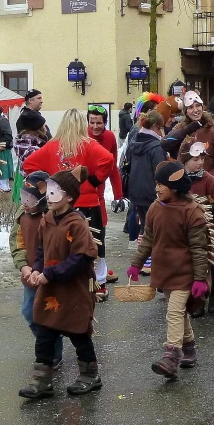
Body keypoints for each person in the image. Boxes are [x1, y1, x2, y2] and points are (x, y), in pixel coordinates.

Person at [127, 161, 209, 379]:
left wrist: (200, 279)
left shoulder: (192, 212)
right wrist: (136, 263)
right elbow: (148, 239)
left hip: (185, 273)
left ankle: (171, 356)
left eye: (162, 185)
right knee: (178, 313)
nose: (157, 189)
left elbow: (199, 249)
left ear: (176, 187)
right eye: (157, 184)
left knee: (173, 311)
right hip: (164, 272)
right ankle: (189, 348)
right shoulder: (155, 208)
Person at [27, 166, 103, 396]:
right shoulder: (47, 219)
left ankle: (90, 375)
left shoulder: (76, 223)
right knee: (44, 329)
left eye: (54, 192)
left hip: (74, 288)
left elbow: (80, 258)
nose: (48, 197)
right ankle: (42, 380)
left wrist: (50, 274)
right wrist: (36, 268)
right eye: (47, 191)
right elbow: (42, 249)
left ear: (68, 196)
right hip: (52, 289)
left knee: (78, 331)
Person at [23, 108, 114, 295]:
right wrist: (94, 180)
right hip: (88, 202)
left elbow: (28, 165)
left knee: (61, 247)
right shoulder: (88, 144)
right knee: (92, 245)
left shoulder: (52, 145)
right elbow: (108, 159)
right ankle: (98, 286)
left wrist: (51, 182)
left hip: (60, 205)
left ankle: (66, 284)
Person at [10, 170, 63, 396]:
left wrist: (47, 270)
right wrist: (24, 266)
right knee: (29, 312)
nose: (25, 203)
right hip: (30, 275)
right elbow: (18, 243)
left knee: (50, 315)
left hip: (50, 275)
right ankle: (50, 343)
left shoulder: (51, 217)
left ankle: (52, 352)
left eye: (30, 200)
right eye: (23, 198)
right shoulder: (22, 216)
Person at [180, 139, 214, 316]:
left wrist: (204, 210)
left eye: (202, 159)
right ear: (185, 161)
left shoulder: (207, 179)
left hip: (208, 229)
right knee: (193, 263)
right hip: (187, 229)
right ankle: (198, 299)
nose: (200, 163)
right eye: (195, 159)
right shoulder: (179, 179)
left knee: (211, 260)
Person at [161, 90, 214, 192]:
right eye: (190, 107)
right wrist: (186, 130)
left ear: (202, 107)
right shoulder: (181, 128)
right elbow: (164, 143)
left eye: (198, 106)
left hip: (209, 184)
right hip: (186, 185)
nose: (195, 110)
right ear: (186, 111)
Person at [87, 104, 123, 289]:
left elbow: (112, 165)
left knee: (100, 233)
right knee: (85, 235)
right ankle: (89, 274)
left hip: (99, 194)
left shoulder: (109, 137)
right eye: (92, 122)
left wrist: (118, 193)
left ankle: (100, 276)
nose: (95, 126)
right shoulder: (82, 136)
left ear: (105, 123)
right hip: (83, 191)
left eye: (99, 122)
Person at [128, 110, 168, 275]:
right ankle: (149, 263)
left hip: (136, 192)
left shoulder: (135, 142)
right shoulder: (155, 147)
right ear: (155, 127)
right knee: (153, 227)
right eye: (160, 128)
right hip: (151, 192)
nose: (161, 132)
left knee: (144, 225)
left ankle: (143, 260)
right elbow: (160, 172)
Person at [12, 108, 49, 202]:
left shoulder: (22, 142)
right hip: (34, 184)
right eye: (44, 125)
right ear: (38, 128)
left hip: (23, 179)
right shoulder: (33, 149)